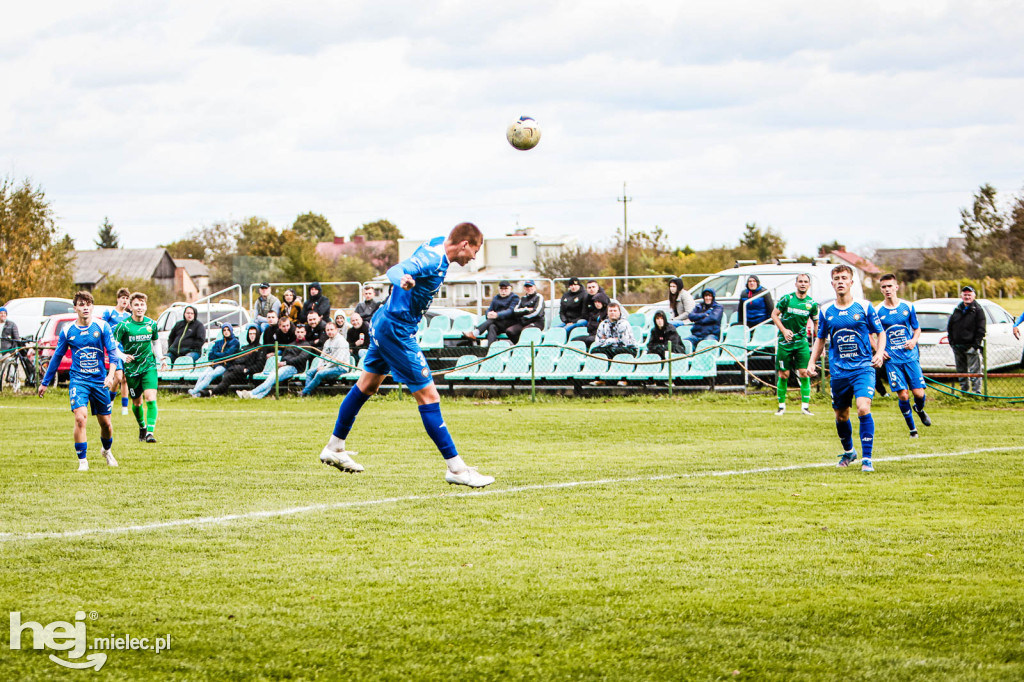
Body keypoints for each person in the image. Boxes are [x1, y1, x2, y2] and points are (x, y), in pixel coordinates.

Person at [318, 222, 495, 488]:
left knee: (367, 385)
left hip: (385, 321)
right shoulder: (433, 260)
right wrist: (402, 278)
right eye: (475, 251)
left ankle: (335, 446)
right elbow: (397, 269)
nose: (474, 258)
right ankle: (457, 469)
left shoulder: (438, 243)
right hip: (397, 331)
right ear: (464, 244)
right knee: (429, 396)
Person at [807, 265, 885, 472]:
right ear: (832, 284)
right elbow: (821, 339)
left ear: (851, 282)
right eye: (836, 278)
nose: (840, 281)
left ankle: (867, 459)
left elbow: (880, 332)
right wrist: (811, 361)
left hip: (862, 368)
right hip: (839, 371)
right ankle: (850, 451)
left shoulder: (865, 307)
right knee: (841, 415)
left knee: (862, 407)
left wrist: (878, 353)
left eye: (844, 278)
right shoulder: (825, 310)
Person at [38, 291, 123, 471]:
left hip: (100, 380)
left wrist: (110, 375)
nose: (85, 307)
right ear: (75, 308)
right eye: (81, 304)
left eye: (88, 304)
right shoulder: (68, 330)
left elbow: (112, 353)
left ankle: (106, 450)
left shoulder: (102, 326)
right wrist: (45, 382)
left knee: (106, 423)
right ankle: (83, 461)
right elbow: (57, 357)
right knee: (80, 418)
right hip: (79, 380)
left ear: (92, 306)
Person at [876, 273, 932, 437]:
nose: (887, 290)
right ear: (881, 289)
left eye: (889, 286)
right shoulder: (878, 310)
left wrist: (914, 340)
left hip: (910, 357)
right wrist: (881, 350)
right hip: (892, 360)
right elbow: (873, 334)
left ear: (896, 287)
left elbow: (917, 328)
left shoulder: (908, 306)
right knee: (903, 394)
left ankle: (919, 409)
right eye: (884, 287)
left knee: (919, 394)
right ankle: (912, 430)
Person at [113, 292, 164, 443]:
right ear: (130, 307)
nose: (139, 307)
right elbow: (113, 347)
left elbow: (156, 342)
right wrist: (123, 356)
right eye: (136, 305)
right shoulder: (123, 326)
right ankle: (142, 427)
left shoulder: (151, 324)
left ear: (146, 306)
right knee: (137, 403)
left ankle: (150, 432)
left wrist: (161, 358)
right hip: (131, 369)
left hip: (148, 366)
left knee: (150, 398)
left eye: (142, 304)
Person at [771, 273, 818, 417]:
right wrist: (784, 331)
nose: (803, 284)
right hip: (785, 343)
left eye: (805, 282)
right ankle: (781, 406)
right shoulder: (787, 299)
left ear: (809, 285)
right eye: (800, 281)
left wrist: (818, 342)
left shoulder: (812, 304)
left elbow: (816, 322)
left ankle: (805, 407)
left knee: (804, 372)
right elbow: (774, 315)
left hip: (801, 343)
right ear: (796, 284)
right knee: (783, 374)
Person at [238, 324, 312, 399]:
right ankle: (256, 396)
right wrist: (282, 363)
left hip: (294, 368)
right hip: (284, 365)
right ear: (295, 332)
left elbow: (300, 358)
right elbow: (284, 356)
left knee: (271, 379)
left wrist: (285, 362)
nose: (299, 334)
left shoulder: (307, 345)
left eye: (301, 332)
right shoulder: (291, 344)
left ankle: (251, 392)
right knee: (270, 379)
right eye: (298, 332)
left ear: (305, 333)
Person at [197, 326, 266, 397]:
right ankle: (211, 392)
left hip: (245, 371)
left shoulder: (260, 348)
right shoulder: (244, 348)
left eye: (254, 334)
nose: (252, 336)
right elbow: (236, 359)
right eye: (250, 334)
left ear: (257, 335)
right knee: (226, 376)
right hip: (236, 368)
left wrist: (247, 370)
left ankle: (210, 392)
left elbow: (259, 365)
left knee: (227, 377)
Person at [947, 285, 986, 395]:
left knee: (975, 371)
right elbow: (950, 326)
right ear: (961, 296)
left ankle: (976, 392)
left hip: (971, 346)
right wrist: (952, 342)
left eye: (969, 294)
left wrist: (975, 345)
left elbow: (981, 329)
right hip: (957, 346)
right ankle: (964, 392)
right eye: (965, 294)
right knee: (961, 371)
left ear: (974, 296)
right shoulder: (957, 309)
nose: (967, 297)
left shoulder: (978, 310)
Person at [102, 287, 133, 414]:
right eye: (123, 298)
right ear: (118, 299)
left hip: (125, 349)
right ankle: (110, 400)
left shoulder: (128, 316)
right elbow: (102, 327)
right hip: (114, 349)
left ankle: (124, 408)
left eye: (127, 298)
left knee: (125, 379)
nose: (125, 301)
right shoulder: (109, 313)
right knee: (118, 377)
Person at [189, 323, 239, 397]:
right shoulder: (219, 342)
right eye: (224, 330)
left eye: (228, 330)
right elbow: (210, 356)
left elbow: (227, 355)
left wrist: (217, 354)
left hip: (224, 366)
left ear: (231, 331)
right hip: (214, 364)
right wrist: (219, 354)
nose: (226, 331)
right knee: (202, 375)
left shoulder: (235, 342)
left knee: (210, 375)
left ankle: (194, 391)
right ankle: (196, 393)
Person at [301, 321, 350, 396]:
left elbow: (337, 360)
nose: (329, 332)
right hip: (327, 367)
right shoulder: (327, 342)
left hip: (340, 367)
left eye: (331, 329)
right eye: (328, 330)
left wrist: (324, 368)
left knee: (320, 374)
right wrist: (320, 366)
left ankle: (304, 392)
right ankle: (309, 394)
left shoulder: (342, 341)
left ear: (336, 330)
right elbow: (322, 356)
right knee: (310, 372)